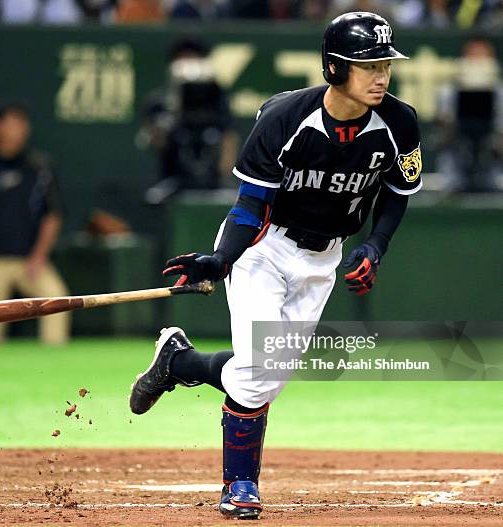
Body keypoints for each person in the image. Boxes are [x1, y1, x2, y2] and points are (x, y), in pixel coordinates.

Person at [129, 11, 422, 520]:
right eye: (367, 64)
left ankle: (178, 362)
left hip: (323, 258)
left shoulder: (399, 121)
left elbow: (397, 195)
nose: (380, 75)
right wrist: (223, 258)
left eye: (385, 64)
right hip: (264, 249)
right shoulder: (285, 118)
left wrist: (375, 246)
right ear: (334, 68)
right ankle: (239, 485)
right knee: (259, 372)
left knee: (267, 375)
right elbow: (250, 207)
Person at [0, 101, 70, 345]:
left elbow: (53, 216)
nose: (15, 131)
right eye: (9, 124)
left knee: (58, 299)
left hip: (29, 262)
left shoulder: (40, 168)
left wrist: (39, 256)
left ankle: (56, 365)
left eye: (20, 125)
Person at [138, 37, 239, 204]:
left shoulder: (217, 98)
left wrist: (224, 172)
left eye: (193, 58)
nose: (189, 65)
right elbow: (157, 143)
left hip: (213, 178)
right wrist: (170, 116)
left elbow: (229, 136)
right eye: (183, 59)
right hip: (174, 177)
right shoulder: (159, 101)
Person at [434, 37, 503, 192]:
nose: (477, 61)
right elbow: (443, 134)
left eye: (483, 56)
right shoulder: (448, 93)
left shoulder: (500, 94)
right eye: (473, 56)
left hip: (494, 169)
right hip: (457, 163)